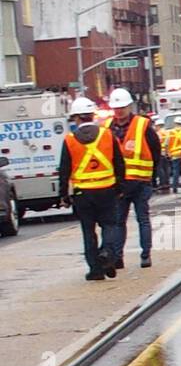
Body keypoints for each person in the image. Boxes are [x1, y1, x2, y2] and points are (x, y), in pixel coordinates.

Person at [58, 96, 125, 281]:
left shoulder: (70, 140)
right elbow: (119, 162)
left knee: (88, 231)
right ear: (92, 115)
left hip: (83, 193)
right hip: (107, 189)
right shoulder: (107, 135)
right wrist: (120, 186)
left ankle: (95, 270)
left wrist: (63, 194)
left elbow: (64, 170)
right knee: (110, 225)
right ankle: (108, 253)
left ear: (76, 118)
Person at [107, 88, 162, 268]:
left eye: (122, 107)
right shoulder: (107, 128)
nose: (119, 111)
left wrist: (152, 176)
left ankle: (145, 255)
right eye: (116, 108)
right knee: (118, 221)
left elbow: (155, 151)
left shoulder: (142, 125)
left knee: (142, 219)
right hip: (119, 184)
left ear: (130, 106)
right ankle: (117, 257)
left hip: (140, 182)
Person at [166, 116, 181, 194]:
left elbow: (166, 144)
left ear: (175, 123)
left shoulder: (170, 132)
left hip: (175, 155)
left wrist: (168, 153)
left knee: (176, 172)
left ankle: (175, 187)